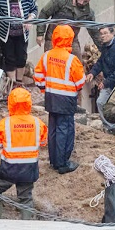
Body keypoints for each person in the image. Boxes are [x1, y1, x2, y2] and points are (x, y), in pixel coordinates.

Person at [0, 87, 48, 220]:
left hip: (9, 168)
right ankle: (26, 228)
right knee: (26, 198)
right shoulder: (37, 123)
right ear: (29, 103)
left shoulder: (5, 123)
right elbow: (43, 142)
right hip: (29, 169)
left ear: (10, 103)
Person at [33, 24, 85, 174]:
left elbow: (38, 77)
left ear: (54, 37)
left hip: (50, 97)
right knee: (65, 129)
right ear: (70, 39)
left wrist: (45, 89)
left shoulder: (47, 56)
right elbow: (80, 82)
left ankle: (54, 161)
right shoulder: (71, 59)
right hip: (66, 99)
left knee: (53, 129)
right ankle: (62, 164)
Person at [85, 27, 115, 132]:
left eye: (105, 33)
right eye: (101, 34)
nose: (102, 36)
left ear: (113, 33)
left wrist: (106, 82)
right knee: (101, 102)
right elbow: (100, 63)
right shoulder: (105, 47)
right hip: (111, 83)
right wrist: (92, 73)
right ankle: (110, 128)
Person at [35, 0, 100, 61]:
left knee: (77, 63)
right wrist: (40, 34)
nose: (81, 3)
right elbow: (44, 13)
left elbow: (94, 32)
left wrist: (103, 48)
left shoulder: (88, 13)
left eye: (85, 1)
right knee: (52, 63)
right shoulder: (61, 1)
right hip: (53, 39)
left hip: (72, 41)